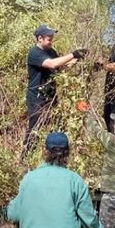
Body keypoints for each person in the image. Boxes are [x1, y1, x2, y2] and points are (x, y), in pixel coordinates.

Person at [24, 24, 87, 154]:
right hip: (37, 97)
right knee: (35, 129)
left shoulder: (51, 52)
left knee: (56, 126)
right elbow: (52, 63)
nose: (51, 40)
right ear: (39, 38)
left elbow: (59, 68)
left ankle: (54, 155)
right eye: (49, 38)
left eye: (52, 38)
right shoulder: (34, 53)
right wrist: (73, 54)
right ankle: (26, 157)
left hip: (51, 96)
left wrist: (77, 58)